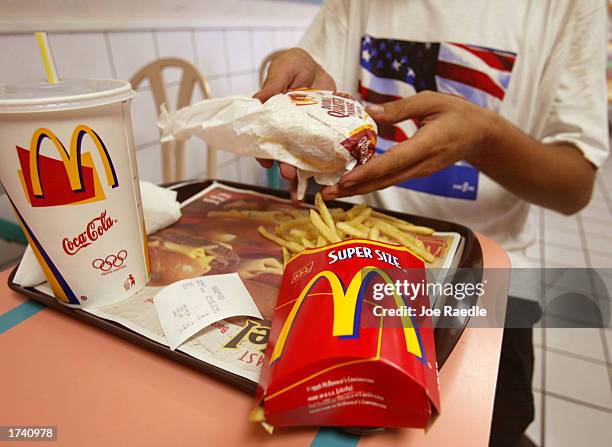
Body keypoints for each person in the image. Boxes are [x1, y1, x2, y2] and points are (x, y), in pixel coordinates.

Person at [255, 1, 609, 446]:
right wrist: (288, 85)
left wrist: (485, 138)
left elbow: (574, 186)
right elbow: (312, 74)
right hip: (352, 253)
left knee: (489, 429)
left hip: (489, 274)